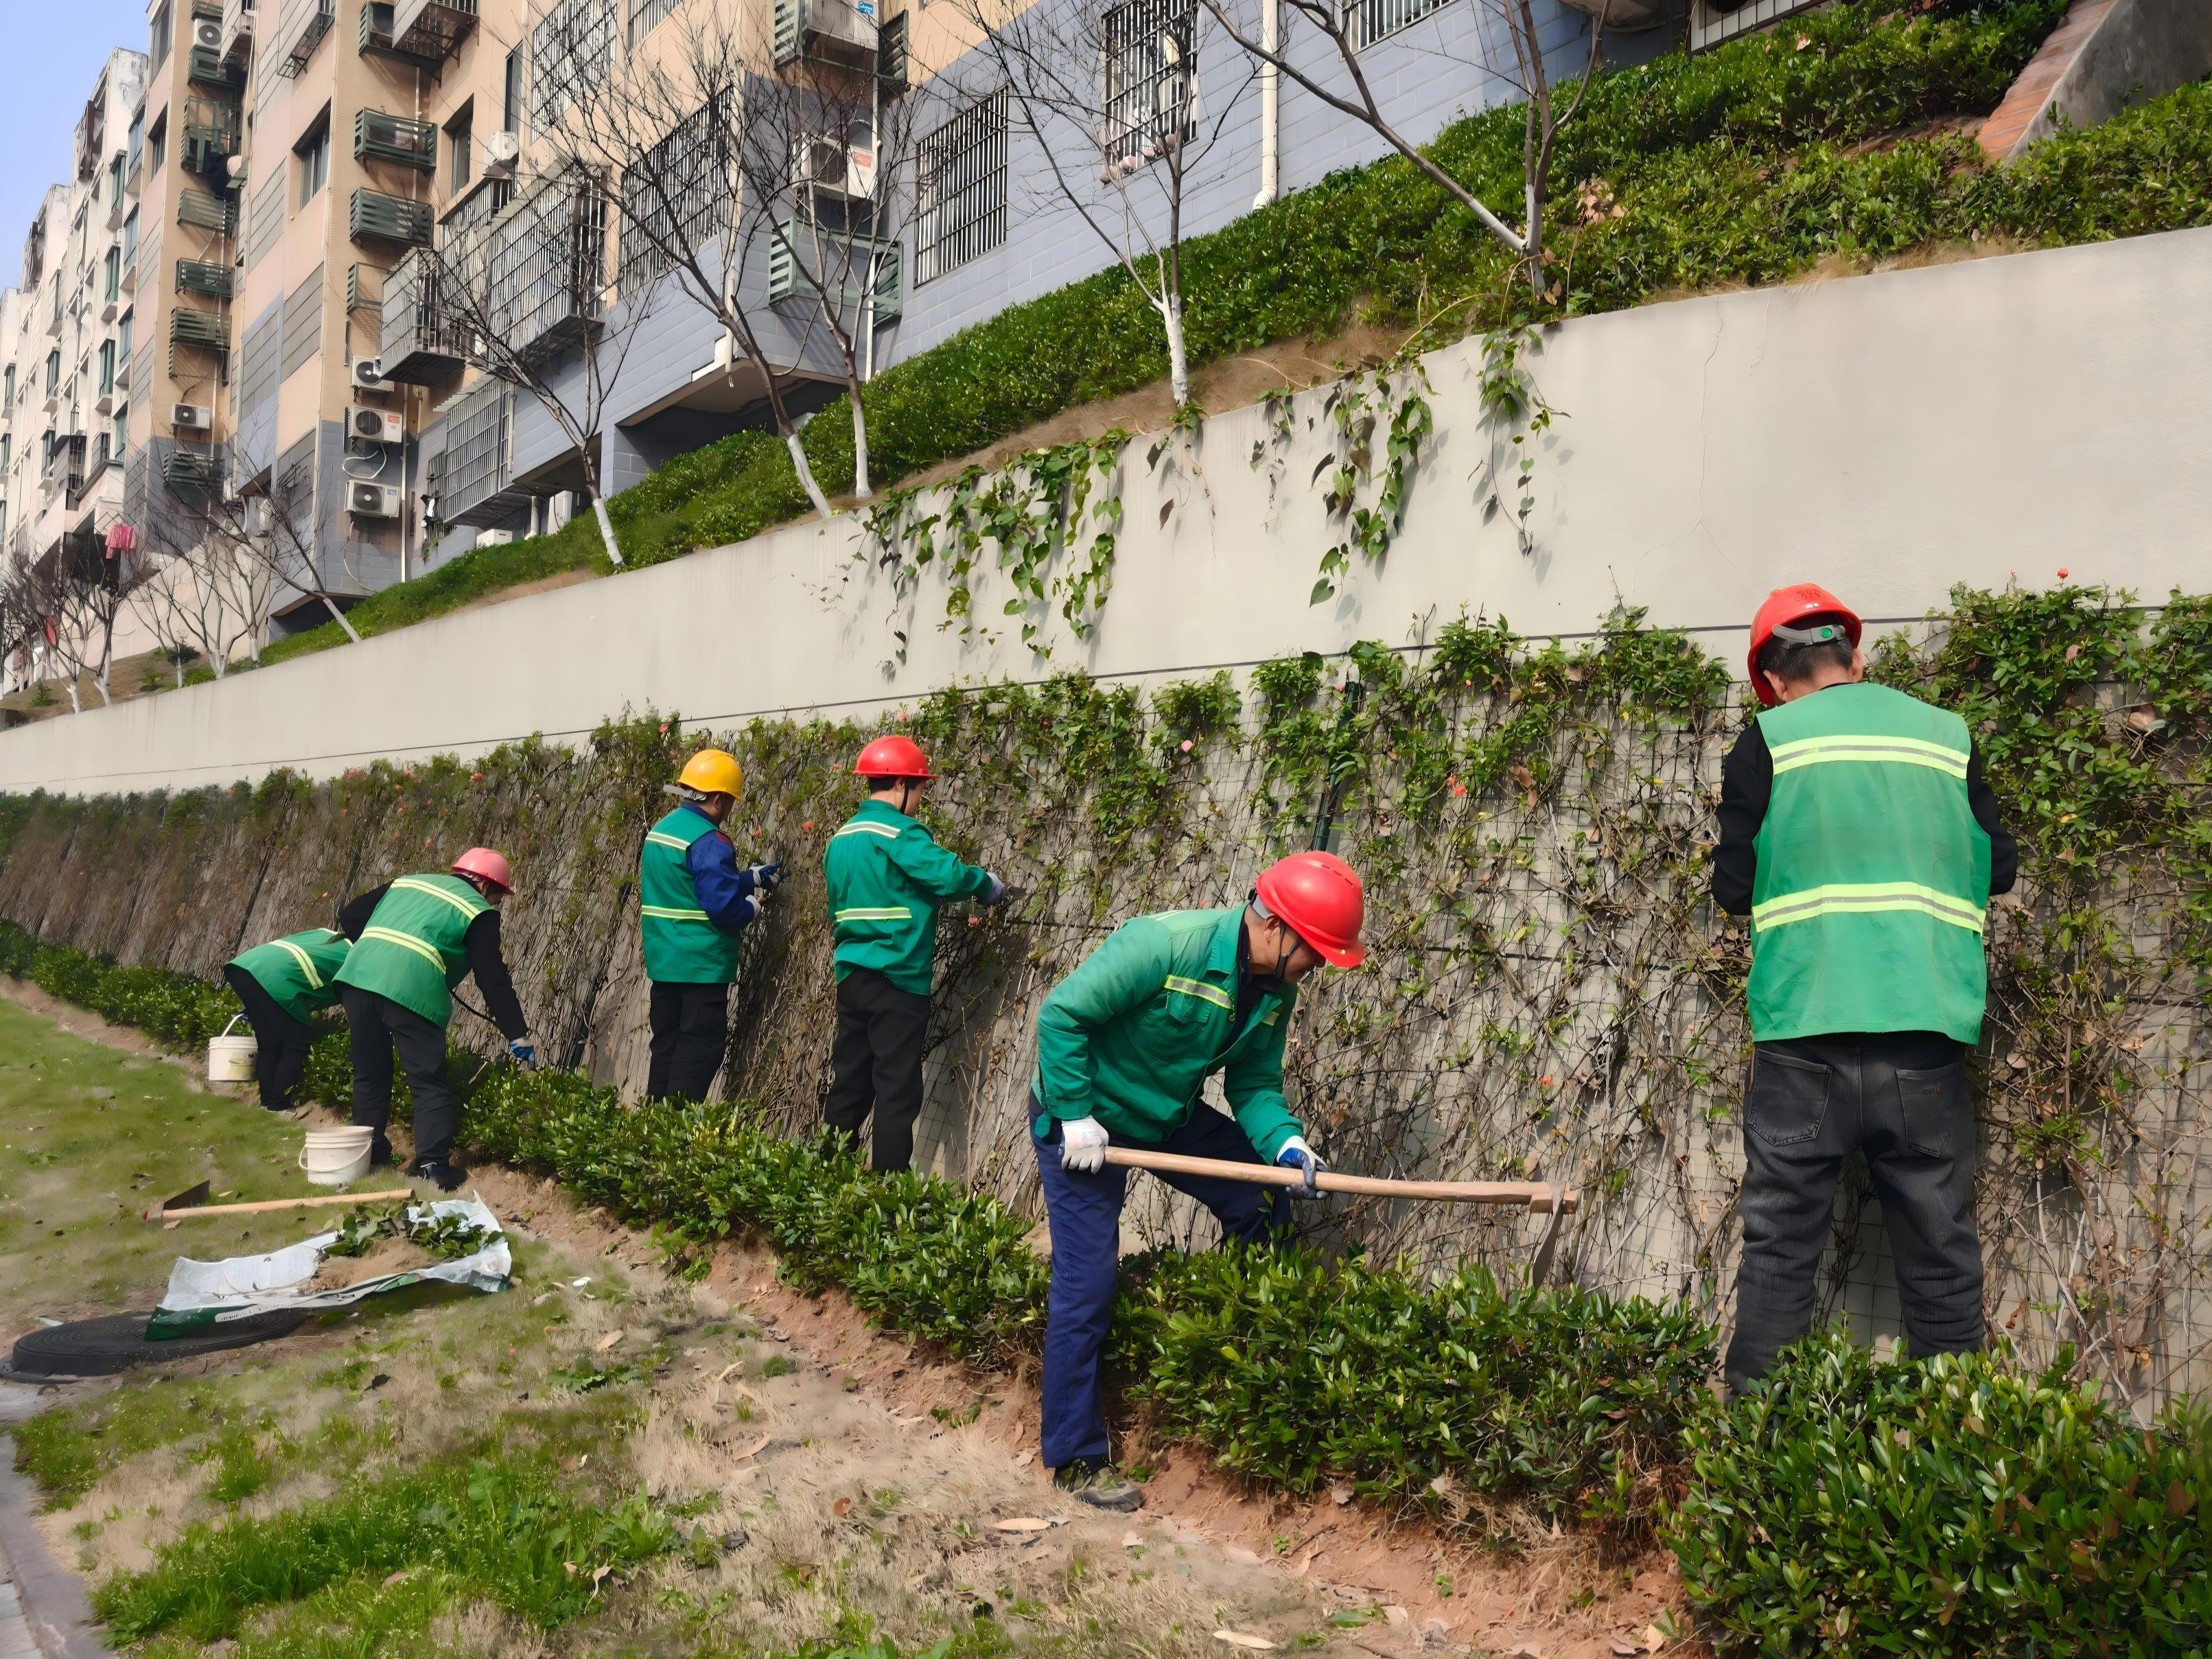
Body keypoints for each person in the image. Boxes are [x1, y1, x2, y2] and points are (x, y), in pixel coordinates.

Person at [1714, 584, 2016, 1397]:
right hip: (1924, 1029)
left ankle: (1754, 1451)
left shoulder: (1769, 739)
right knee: (1940, 1256)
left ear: (1772, 681)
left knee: (1780, 1252)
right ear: (1855, 657)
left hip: (1801, 1029)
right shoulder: (1945, 736)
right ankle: (1952, 1448)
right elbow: (2000, 866)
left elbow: (1733, 886)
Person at [1030, 850, 1365, 1511]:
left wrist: (1287, 1143)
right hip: (1086, 1119)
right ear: (1276, 927)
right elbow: (1061, 1015)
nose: (1319, 966)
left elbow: (1254, 1084)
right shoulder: (1164, 945)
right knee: (1087, 1284)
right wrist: (1072, 1114)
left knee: (1263, 1195)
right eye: (1316, 951)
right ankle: (1075, 1458)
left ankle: (1246, 1364)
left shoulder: (1274, 989)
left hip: (1165, 1116)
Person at [822, 734, 1007, 1170]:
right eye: (921, 788)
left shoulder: (841, 838)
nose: (921, 800)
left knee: (850, 1082)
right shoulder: (899, 832)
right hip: (897, 976)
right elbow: (947, 874)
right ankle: (890, 1190)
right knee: (896, 1088)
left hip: (851, 975)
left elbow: (849, 904)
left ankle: (825, 1176)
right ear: (902, 784)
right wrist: (986, 885)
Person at [334, 848, 535, 1192]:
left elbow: (350, 916)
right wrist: (517, 1033)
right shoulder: (478, 911)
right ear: (485, 886)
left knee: (370, 1075)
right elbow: (492, 978)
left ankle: (368, 1157)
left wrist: (378, 954)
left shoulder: (408, 882)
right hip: (412, 989)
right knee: (427, 1082)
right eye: (499, 896)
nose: (496, 903)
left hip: (358, 979)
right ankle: (432, 1167)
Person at [640, 748, 780, 1102]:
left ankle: (652, 1126)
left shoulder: (661, 831)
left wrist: (749, 878)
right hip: (701, 969)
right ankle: (678, 1128)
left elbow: (689, 886)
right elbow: (722, 908)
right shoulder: (710, 839)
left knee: (667, 1048)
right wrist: (751, 908)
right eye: (730, 802)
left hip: (665, 964)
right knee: (698, 1050)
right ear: (718, 799)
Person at [221, 927, 351, 1112]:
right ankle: (279, 1106)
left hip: (245, 967)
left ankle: (267, 1105)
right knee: (297, 1042)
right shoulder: (357, 955)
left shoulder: (330, 936)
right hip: (275, 978)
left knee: (269, 1044)